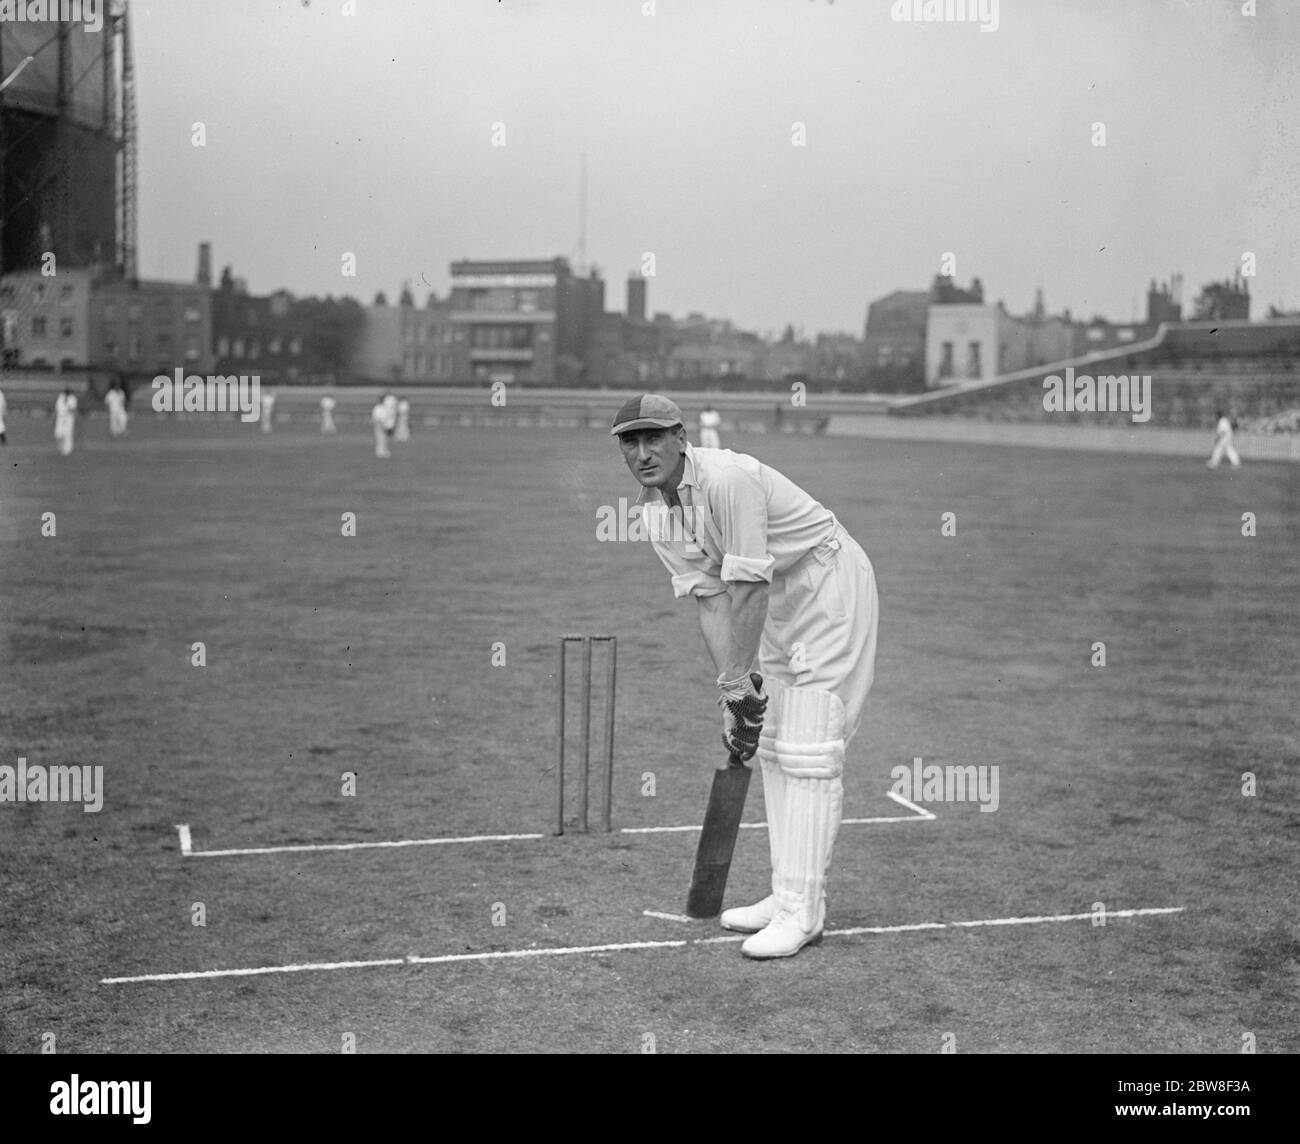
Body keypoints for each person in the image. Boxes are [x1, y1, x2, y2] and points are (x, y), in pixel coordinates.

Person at [611, 394, 879, 959]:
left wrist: (739, 678)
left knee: (810, 747)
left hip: (824, 582)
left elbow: (749, 585)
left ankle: (803, 912)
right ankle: (787, 894)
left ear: (681, 437)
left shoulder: (727, 480)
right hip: (777, 599)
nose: (642, 452)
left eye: (652, 438)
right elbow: (711, 598)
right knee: (774, 746)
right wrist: (735, 690)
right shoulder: (655, 512)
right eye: (630, 442)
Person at [54, 387, 78, 455]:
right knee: (58, 434)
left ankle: (67, 450)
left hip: (69, 418)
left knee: (68, 434)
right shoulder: (61, 397)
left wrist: (68, 407)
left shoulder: (73, 398)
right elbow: (57, 408)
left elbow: (73, 409)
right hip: (60, 418)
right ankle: (60, 448)